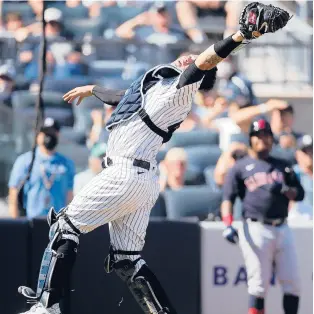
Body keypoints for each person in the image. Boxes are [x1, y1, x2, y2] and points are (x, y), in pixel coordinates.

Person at [18, 4, 287, 313]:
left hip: (124, 173)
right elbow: (126, 98)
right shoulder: (161, 87)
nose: (190, 57)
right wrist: (92, 89)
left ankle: (45, 305)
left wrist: (240, 35)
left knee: (65, 226)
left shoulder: (181, 90)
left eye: (196, 62)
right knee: (126, 260)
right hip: (140, 180)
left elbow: (204, 62)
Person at [221, 119, 304, 314]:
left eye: (266, 135)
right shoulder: (240, 166)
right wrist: (228, 224)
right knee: (258, 285)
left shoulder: (283, 166)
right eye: (258, 135)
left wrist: (287, 190)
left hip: (283, 227)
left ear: (272, 139)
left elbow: (299, 194)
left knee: (293, 284)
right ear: (251, 138)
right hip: (256, 227)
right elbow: (228, 198)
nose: (262, 139)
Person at [8, 118, 75, 219]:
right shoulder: (25, 161)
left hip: (57, 223)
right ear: (38, 136)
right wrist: (15, 224)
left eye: (53, 133)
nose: (49, 137)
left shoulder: (66, 164)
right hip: (32, 221)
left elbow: (69, 197)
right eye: (46, 133)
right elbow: (13, 194)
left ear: (58, 135)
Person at [115, 3, 186, 45]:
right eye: (159, 15)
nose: (162, 18)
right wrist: (136, 21)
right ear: (152, 16)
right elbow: (120, 32)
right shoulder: (143, 33)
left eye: (164, 14)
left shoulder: (179, 34)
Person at [289, 135, 313, 220]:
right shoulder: (292, 173)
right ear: (297, 154)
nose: (309, 154)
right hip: (299, 220)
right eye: (305, 151)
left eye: (311, 150)